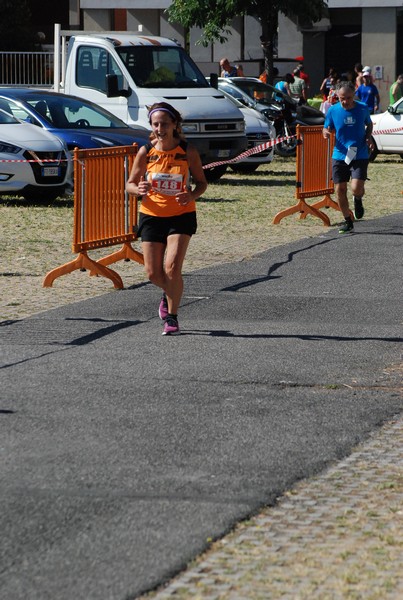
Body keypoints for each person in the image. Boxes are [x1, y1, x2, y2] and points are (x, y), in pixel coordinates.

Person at [126, 102, 207, 335]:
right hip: (151, 215)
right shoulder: (145, 151)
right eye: (155, 124)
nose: (160, 128)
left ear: (174, 125)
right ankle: (170, 292)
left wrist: (190, 195)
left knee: (172, 268)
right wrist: (138, 189)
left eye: (164, 124)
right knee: (153, 273)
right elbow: (129, 184)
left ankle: (172, 318)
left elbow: (202, 183)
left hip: (181, 215)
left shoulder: (187, 151)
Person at [323, 80, 374, 233]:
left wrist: (368, 136)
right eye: (342, 98)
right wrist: (325, 132)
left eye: (349, 98)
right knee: (340, 189)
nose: (345, 101)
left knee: (356, 188)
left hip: (359, 153)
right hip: (340, 154)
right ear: (337, 96)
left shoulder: (362, 108)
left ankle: (358, 199)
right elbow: (326, 127)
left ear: (354, 95)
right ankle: (347, 220)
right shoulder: (333, 110)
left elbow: (369, 124)